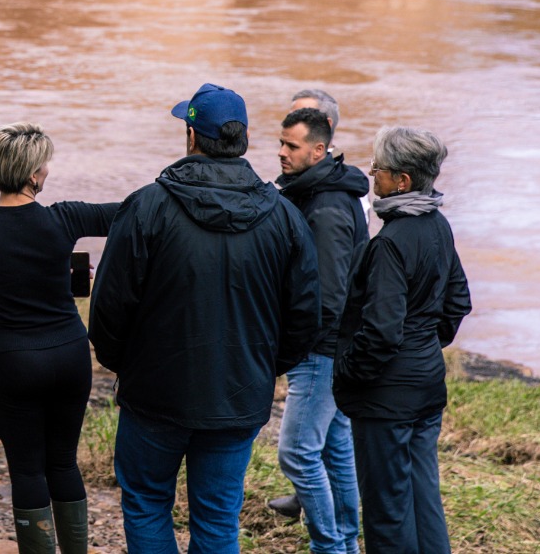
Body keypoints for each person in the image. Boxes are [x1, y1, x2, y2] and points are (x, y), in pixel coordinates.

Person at [88, 83, 322, 554]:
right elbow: (304, 316)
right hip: (237, 394)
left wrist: (125, 365)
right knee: (217, 519)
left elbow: (109, 308)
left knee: (147, 503)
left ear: (192, 138)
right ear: (244, 141)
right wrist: (261, 368)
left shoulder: (146, 206)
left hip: (155, 394)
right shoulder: (283, 216)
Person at [0, 124, 119, 554]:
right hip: (69, 354)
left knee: (26, 471)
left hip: (13, 357)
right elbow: (133, 211)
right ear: (34, 174)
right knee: (63, 462)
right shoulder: (66, 217)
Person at [334, 127, 472, 554]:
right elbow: (458, 302)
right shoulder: (439, 225)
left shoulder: (390, 243)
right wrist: (424, 346)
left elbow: (380, 331)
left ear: (402, 182)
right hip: (427, 387)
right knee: (423, 499)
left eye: (379, 169)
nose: (372, 175)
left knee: (387, 511)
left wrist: (349, 373)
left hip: (386, 399)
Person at [268, 107, 368, 554]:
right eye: (281, 143)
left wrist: (292, 346)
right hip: (337, 348)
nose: (281, 153)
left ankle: (329, 545)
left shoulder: (325, 208)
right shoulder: (323, 192)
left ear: (318, 150)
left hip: (321, 350)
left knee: (298, 453)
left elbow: (327, 298)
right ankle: (344, 541)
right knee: (334, 448)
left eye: (291, 146)